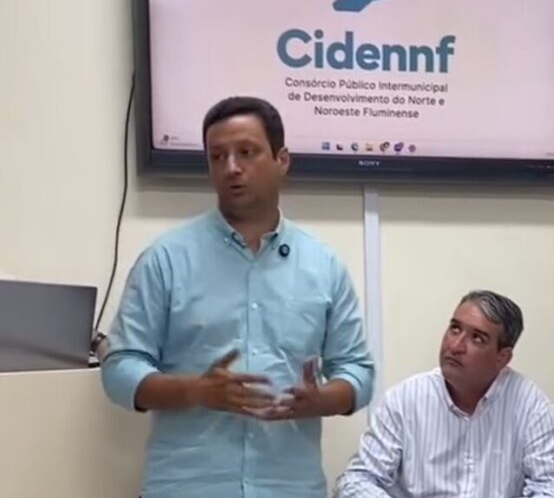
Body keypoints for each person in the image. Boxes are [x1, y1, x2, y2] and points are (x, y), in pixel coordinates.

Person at [101, 96, 375, 498]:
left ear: (282, 160)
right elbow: (119, 369)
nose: (231, 167)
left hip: (289, 486)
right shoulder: (165, 260)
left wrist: (323, 400)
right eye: (217, 156)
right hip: (187, 486)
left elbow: (358, 371)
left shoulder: (323, 266)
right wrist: (195, 390)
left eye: (246, 152)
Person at [335, 290, 554, 497]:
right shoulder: (405, 400)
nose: (455, 346)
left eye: (477, 338)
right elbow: (356, 481)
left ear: (503, 357)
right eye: (455, 329)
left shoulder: (533, 409)